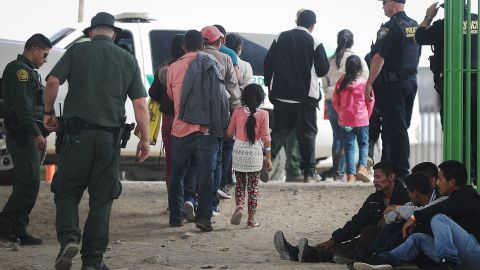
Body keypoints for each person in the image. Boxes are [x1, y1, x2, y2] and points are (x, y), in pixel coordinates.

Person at [43, 12, 150, 270]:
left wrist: (48, 113)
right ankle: (92, 260)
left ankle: (69, 239)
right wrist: (145, 139)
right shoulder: (127, 59)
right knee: (102, 198)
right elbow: (140, 104)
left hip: (76, 137)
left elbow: (53, 81)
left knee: (67, 191)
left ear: (90, 32)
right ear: (114, 34)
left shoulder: (77, 52)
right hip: (108, 140)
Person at [273, 161, 409, 263]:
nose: (375, 181)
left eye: (378, 177)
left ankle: (297, 253)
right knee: (340, 247)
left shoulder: (406, 197)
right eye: (374, 177)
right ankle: (295, 252)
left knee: (354, 244)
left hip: (387, 244)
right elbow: (356, 223)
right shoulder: (374, 199)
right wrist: (333, 239)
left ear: (391, 177)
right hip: (369, 240)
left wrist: (392, 215)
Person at [354, 160, 480, 270]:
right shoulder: (453, 197)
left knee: (439, 218)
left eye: (440, 179)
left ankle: (447, 263)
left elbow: (437, 209)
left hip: (475, 254)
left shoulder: (466, 196)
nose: (437, 183)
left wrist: (414, 217)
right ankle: (381, 261)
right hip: (461, 258)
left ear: (452, 182)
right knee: (417, 238)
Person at [166, 29, 229, 232]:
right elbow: (221, 97)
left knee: (177, 174)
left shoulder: (173, 68)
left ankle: (176, 216)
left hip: (180, 129)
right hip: (206, 131)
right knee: (206, 175)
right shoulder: (213, 64)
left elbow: (171, 96)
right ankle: (204, 217)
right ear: (203, 45)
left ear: (184, 46)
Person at [415, 2, 478, 184]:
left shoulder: (444, 25)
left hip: (454, 85)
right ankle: (475, 175)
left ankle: (464, 176)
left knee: (456, 131)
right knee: (476, 130)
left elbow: (418, 37)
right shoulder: (476, 21)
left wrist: (428, 16)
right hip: (477, 82)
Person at [264, 9, 329, 182]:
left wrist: (268, 85)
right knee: (307, 133)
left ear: (297, 21)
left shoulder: (281, 37)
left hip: (281, 95)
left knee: (279, 131)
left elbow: (268, 62)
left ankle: (266, 159)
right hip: (305, 97)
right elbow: (323, 69)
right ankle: (308, 173)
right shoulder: (314, 40)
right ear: (312, 25)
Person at [0, 33, 51, 246]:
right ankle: (4, 227)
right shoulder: (20, 71)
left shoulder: (29, 72)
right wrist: (36, 133)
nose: (45, 59)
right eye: (45, 55)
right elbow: (23, 108)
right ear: (35, 50)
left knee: (30, 184)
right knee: (27, 184)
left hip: (27, 134)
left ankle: (19, 229)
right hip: (23, 136)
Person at [364, 0, 421, 180]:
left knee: (396, 129)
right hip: (410, 82)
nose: (382, 7)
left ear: (393, 5)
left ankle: (402, 172)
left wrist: (369, 83)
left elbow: (378, 59)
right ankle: (393, 168)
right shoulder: (414, 25)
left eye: (384, 3)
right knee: (400, 127)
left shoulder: (389, 28)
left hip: (392, 86)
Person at [201, 25, 240, 215]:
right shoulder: (225, 58)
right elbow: (233, 90)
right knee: (218, 157)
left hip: (194, 117)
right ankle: (213, 204)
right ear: (219, 41)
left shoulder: (193, 58)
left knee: (196, 160)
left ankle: (193, 200)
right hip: (219, 115)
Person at [323, 29, 369, 181]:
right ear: (352, 41)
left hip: (333, 101)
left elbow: (324, 81)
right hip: (355, 107)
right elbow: (366, 82)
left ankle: (338, 173)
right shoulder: (358, 60)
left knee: (338, 137)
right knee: (353, 141)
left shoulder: (330, 59)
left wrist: (329, 94)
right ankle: (345, 172)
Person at [226, 84, 271, 228]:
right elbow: (266, 138)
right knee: (253, 188)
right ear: (260, 99)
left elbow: (228, 133)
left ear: (244, 97)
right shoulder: (264, 114)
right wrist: (268, 159)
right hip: (255, 156)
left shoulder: (238, 112)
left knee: (240, 184)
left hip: (238, 154)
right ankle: (251, 220)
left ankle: (239, 206)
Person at [148, 34, 184, 193]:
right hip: (188, 121)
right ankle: (187, 197)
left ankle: (173, 199)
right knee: (189, 161)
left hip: (169, 121)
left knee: (170, 160)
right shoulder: (192, 68)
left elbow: (153, 94)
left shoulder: (164, 68)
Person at [332, 55, 374, 183]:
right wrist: (367, 116)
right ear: (360, 68)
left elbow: (335, 100)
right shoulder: (364, 83)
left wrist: (341, 113)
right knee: (363, 144)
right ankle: (362, 167)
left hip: (345, 120)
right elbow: (370, 101)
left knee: (349, 147)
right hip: (361, 119)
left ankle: (350, 175)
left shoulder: (340, 82)